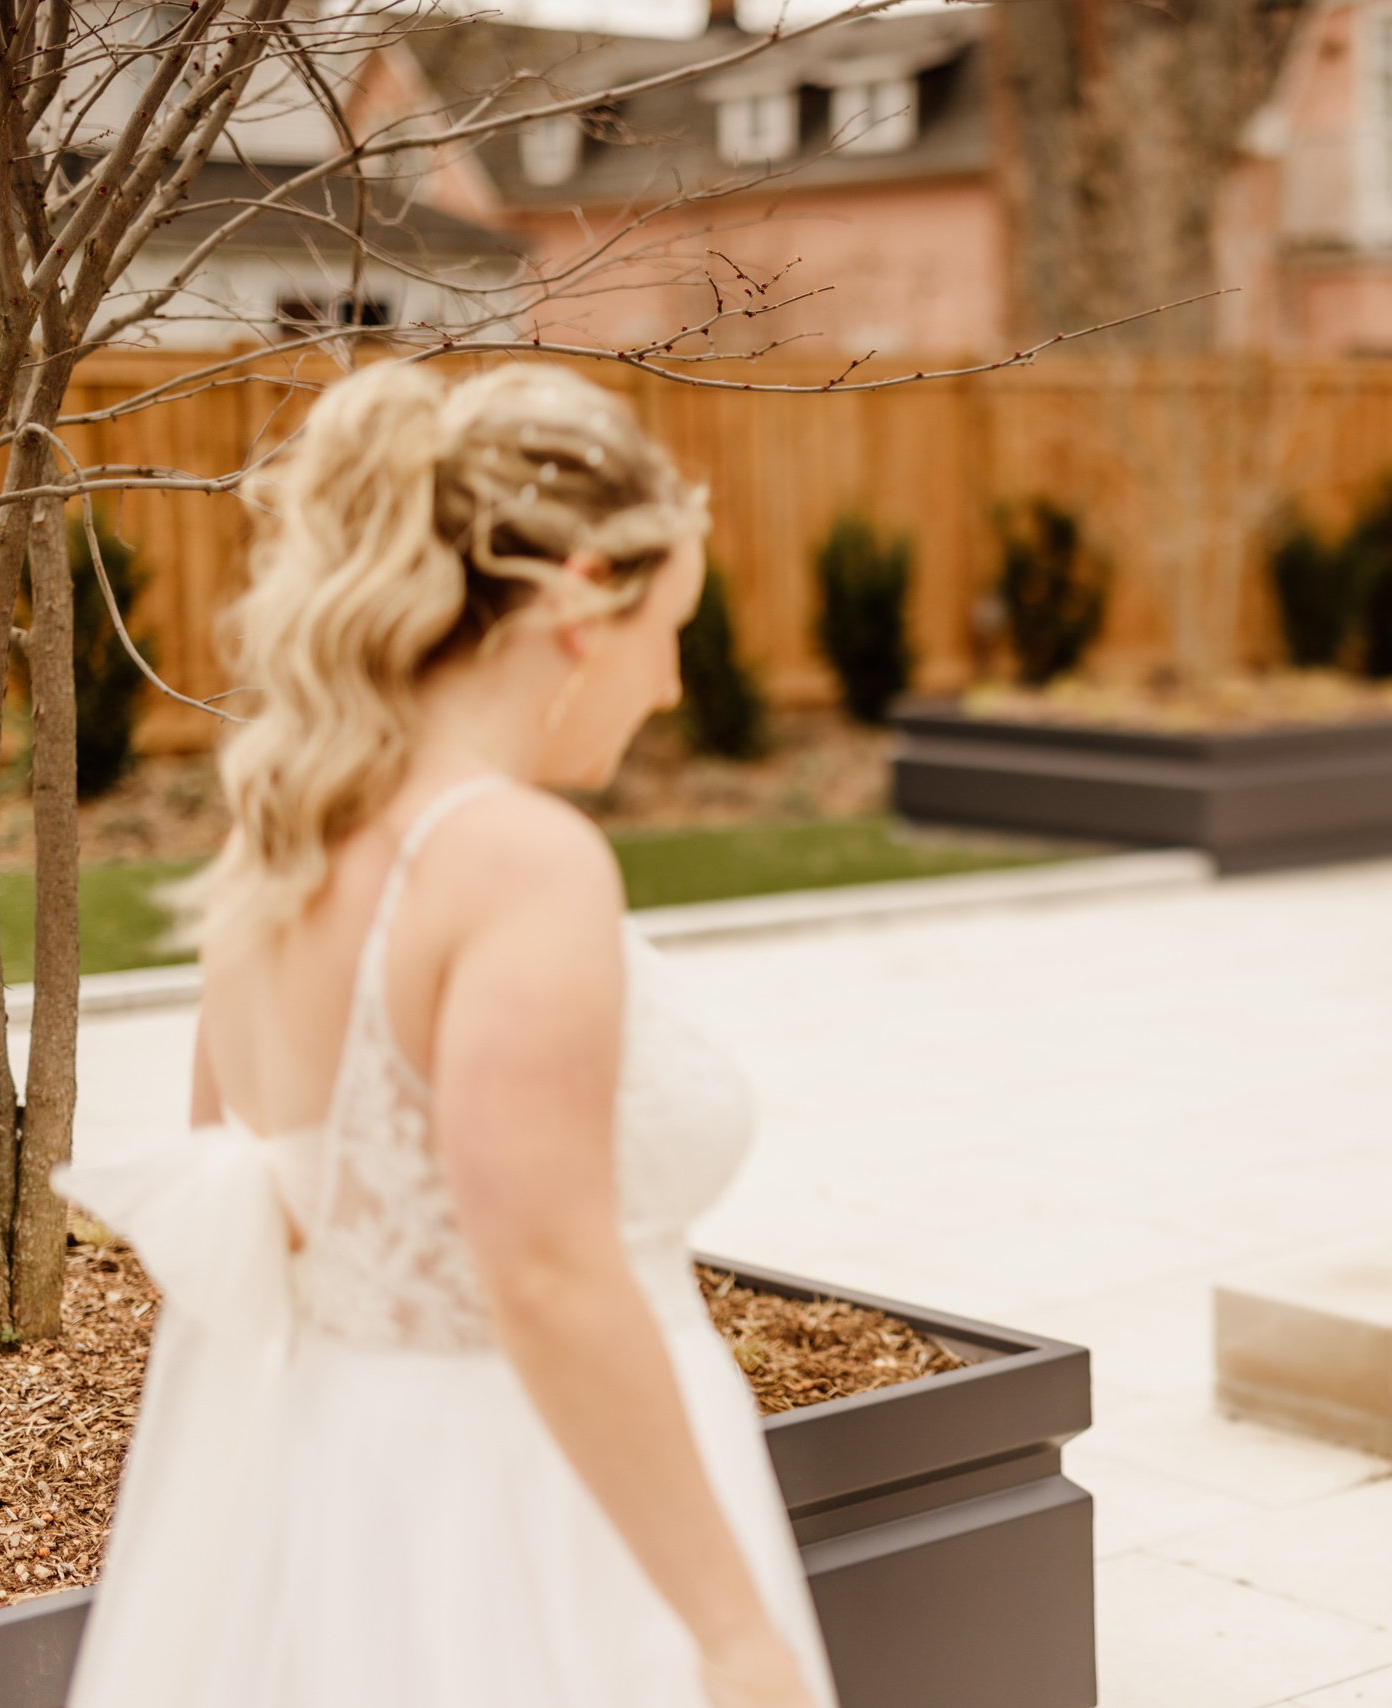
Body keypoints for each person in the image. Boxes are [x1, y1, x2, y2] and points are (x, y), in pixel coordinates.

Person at [57, 364, 834, 1708]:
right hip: (536, 1511)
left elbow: (235, 1179)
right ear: (583, 600)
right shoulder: (519, 863)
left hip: (341, 1495)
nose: (666, 689)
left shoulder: (285, 838)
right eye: (673, 630)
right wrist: (730, 1630)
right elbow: (541, 1269)